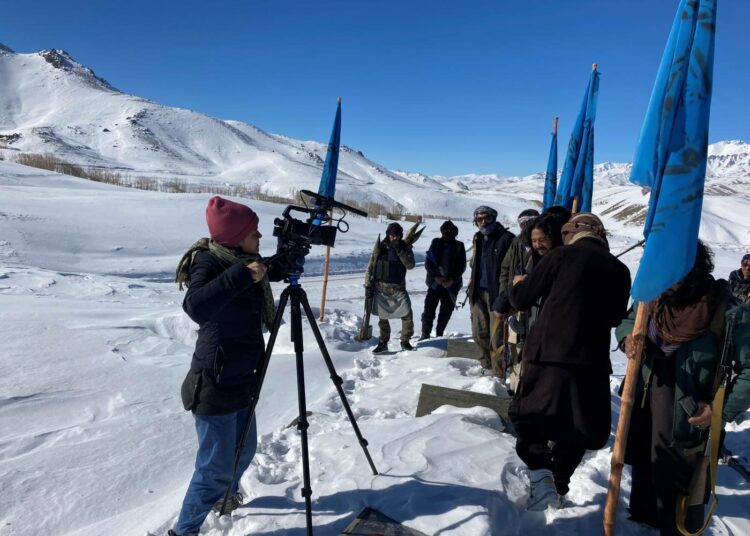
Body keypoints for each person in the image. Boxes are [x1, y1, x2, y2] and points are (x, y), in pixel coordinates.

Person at [617, 241, 750, 536]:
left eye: (675, 270)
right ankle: (643, 518)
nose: (668, 277)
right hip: (646, 402)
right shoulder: (652, 298)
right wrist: (629, 339)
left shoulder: (726, 311)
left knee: (681, 492)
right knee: (644, 465)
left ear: (694, 269)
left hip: (689, 418)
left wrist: (718, 411)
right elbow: (627, 322)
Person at [170, 196, 280, 536]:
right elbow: (196, 306)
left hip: (243, 379)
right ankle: (184, 531)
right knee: (214, 467)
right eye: (254, 233)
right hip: (214, 382)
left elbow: (260, 270)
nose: (260, 238)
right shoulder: (209, 262)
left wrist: (281, 262)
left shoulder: (246, 261)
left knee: (245, 451)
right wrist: (242, 276)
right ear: (235, 236)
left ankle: (226, 498)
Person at [507, 213, 631, 510]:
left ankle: (541, 476)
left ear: (571, 234)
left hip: (549, 353)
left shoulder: (561, 256)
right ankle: (558, 482)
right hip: (592, 361)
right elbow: (616, 317)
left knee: (527, 416)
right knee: (578, 426)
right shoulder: (620, 269)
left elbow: (523, 298)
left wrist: (518, 284)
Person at [493, 213, 563, 393]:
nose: (538, 244)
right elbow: (509, 273)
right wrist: (504, 299)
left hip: (549, 326)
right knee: (519, 358)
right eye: (534, 241)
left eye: (543, 240)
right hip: (524, 315)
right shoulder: (524, 250)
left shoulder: (561, 258)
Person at [467, 206, 514, 373]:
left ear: (494, 218)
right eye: (479, 219)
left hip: (497, 295)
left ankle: (498, 374)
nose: (484, 222)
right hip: (477, 292)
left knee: (497, 338)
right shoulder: (478, 238)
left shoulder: (507, 239)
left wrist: (506, 296)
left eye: (487, 218)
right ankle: (485, 367)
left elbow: (510, 270)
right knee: (479, 333)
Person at [366, 222, 416, 353]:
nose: (395, 238)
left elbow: (410, 265)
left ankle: (405, 341)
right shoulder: (380, 247)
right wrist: (367, 284)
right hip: (381, 289)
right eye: (392, 235)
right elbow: (371, 265)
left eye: (397, 236)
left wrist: (400, 250)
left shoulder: (405, 247)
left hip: (398, 289)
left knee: (407, 315)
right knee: (383, 318)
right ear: (388, 234)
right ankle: (383, 342)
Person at [419, 220, 467, 340]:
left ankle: (439, 335)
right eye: (445, 231)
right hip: (435, 284)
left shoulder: (459, 246)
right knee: (428, 311)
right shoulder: (435, 243)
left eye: (450, 232)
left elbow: (461, 266)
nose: (447, 234)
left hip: (451, 286)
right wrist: (436, 277)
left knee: (445, 313)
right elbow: (428, 263)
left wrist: (451, 280)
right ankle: (425, 335)